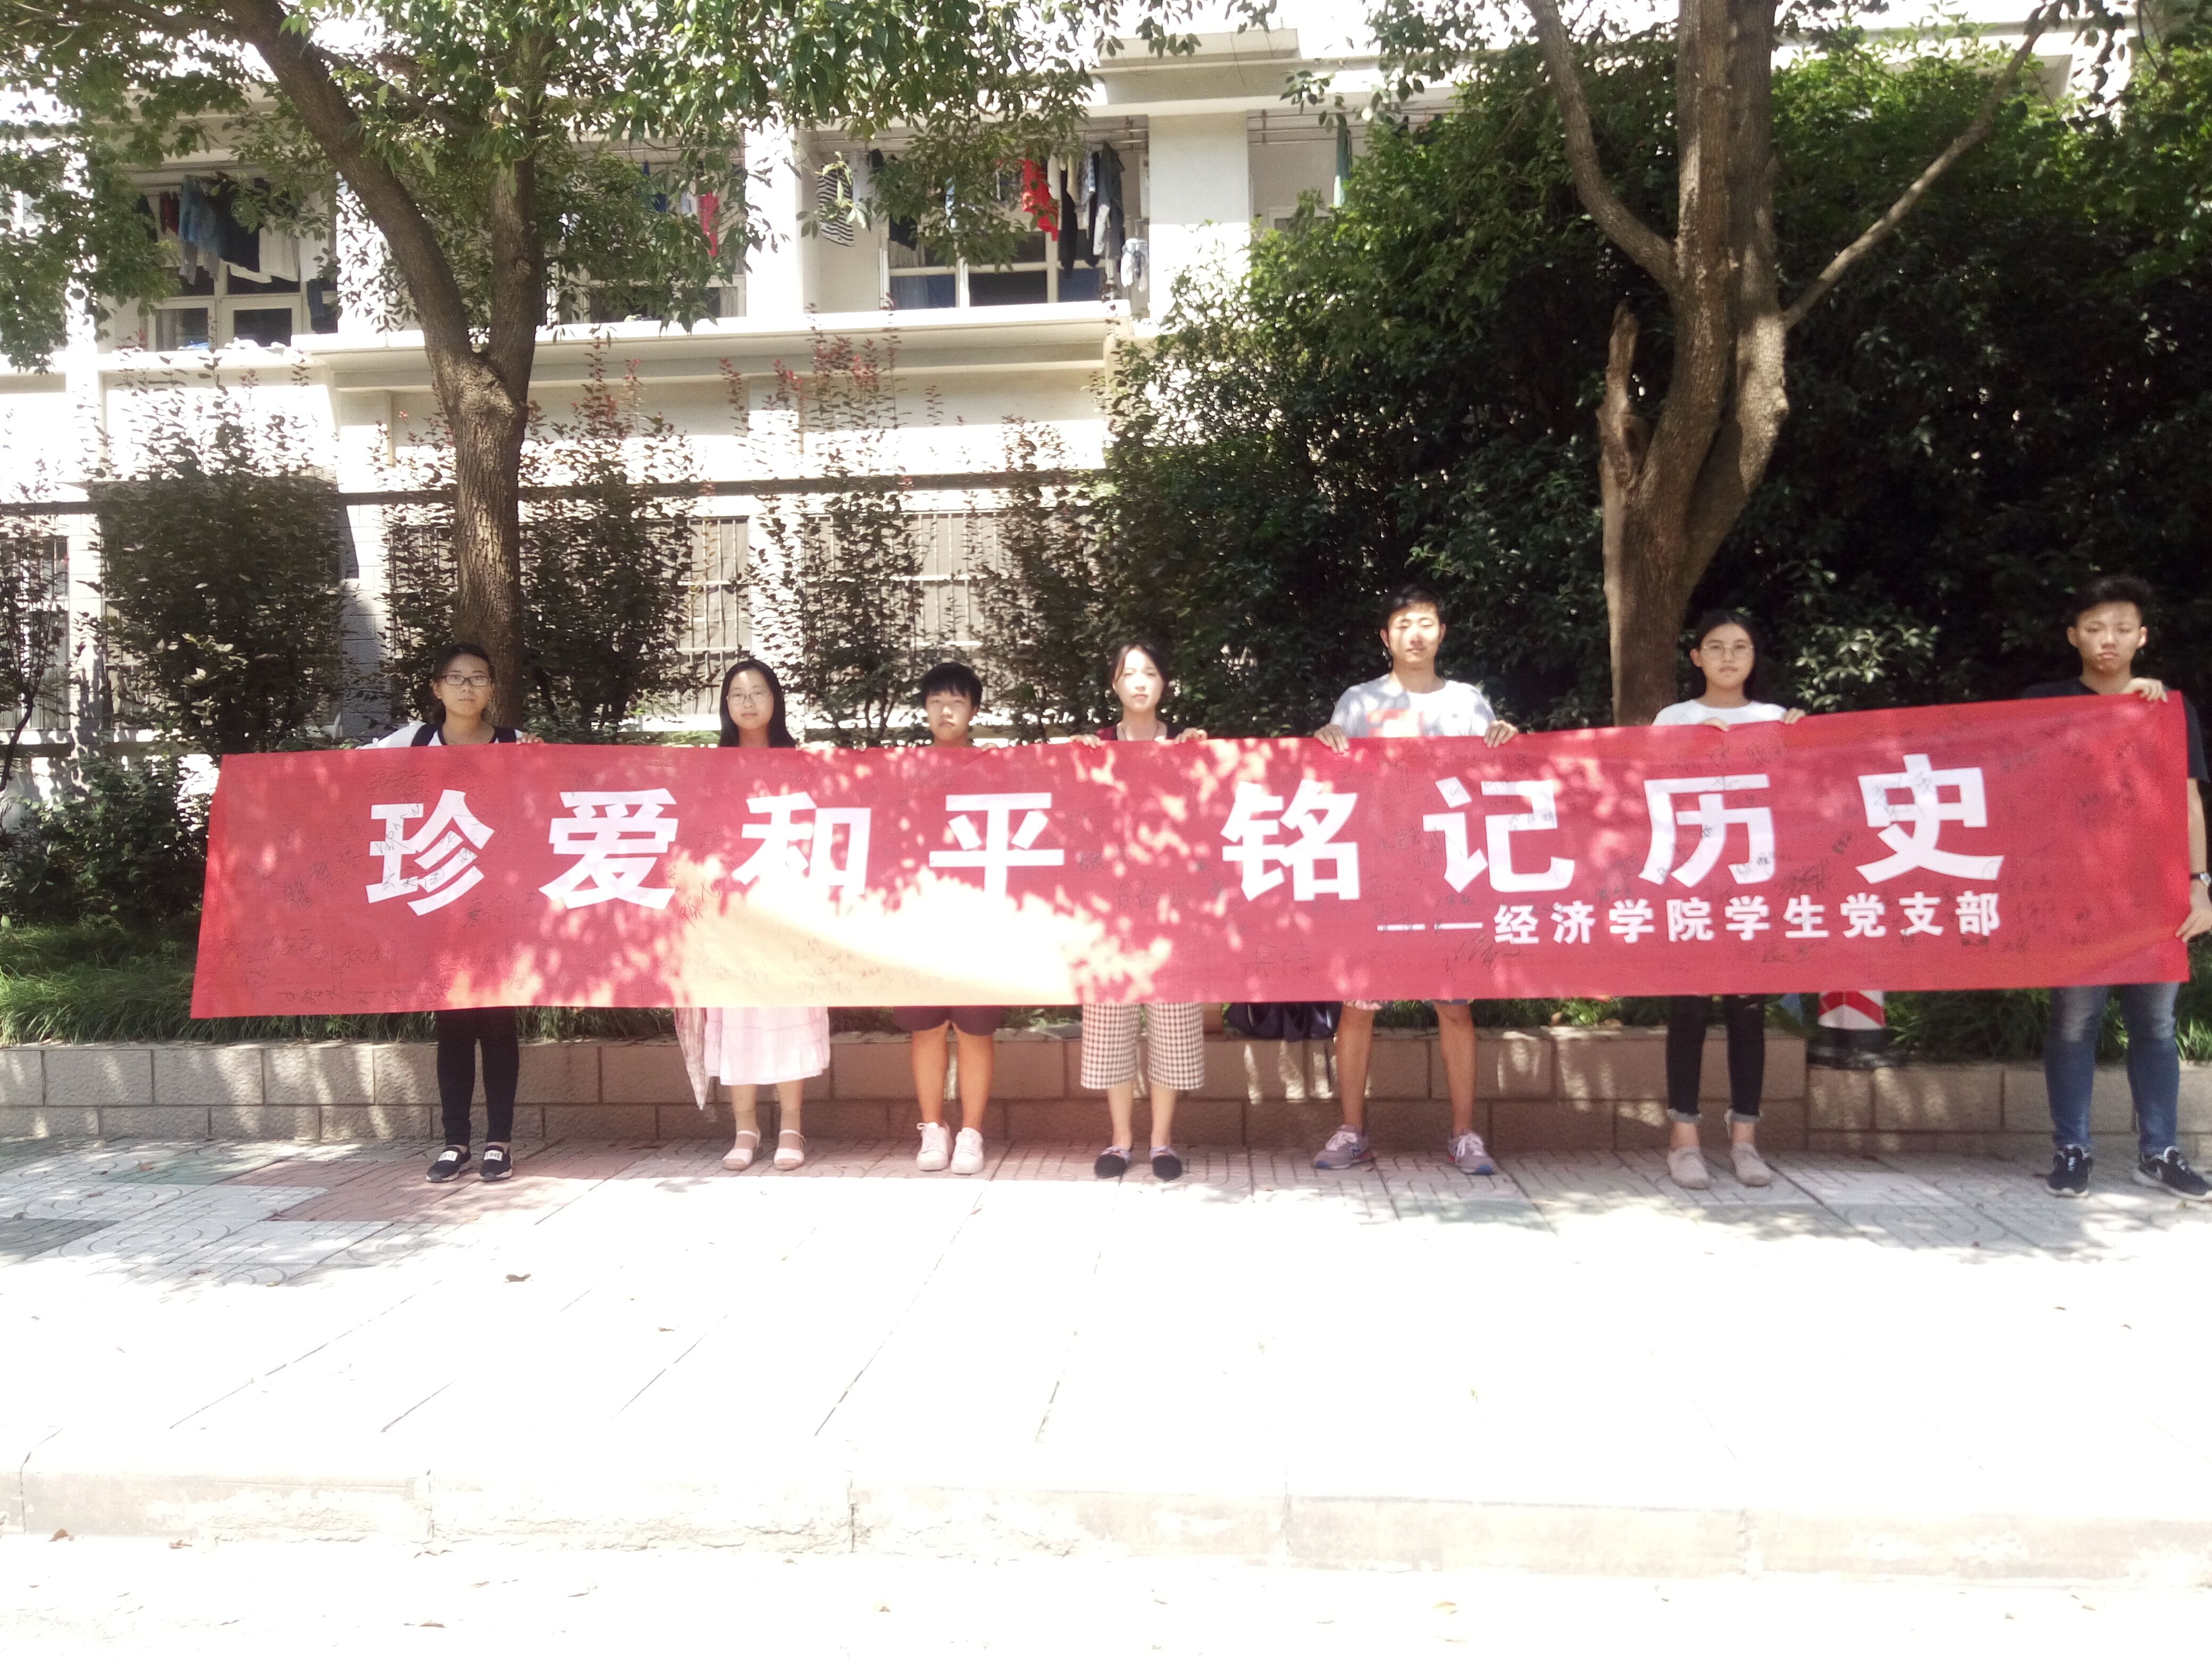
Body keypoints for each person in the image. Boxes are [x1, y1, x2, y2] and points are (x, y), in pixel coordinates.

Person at [1313, 584, 1520, 1175]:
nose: (1414, 634)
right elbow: (1331, 778)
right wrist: (1325, 742)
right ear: (1385, 637)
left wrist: (1506, 743)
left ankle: (1464, 1134)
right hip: (1376, 876)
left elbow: (1494, 779)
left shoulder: (1468, 702)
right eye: (1402, 624)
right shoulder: (1358, 702)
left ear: (1441, 633)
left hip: (1449, 877)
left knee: (1454, 1007)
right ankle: (1351, 1132)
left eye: (1425, 622)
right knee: (1358, 1005)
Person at [2023, 574, 2212, 1201]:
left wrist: (2200, 886)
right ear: (2072, 636)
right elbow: (2015, 783)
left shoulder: (2167, 709)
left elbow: (2187, 802)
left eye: (2121, 628)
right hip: (2074, 894)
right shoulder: (2043, 703)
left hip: (2153, 892)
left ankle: (2158, 1152)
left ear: (2141, 637)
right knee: (2074, 1021)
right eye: (2094, 628)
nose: (2108, 639)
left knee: (2154, 1023)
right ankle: (2071, 1148)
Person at [368, 642, 540, 1186]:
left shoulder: (515, 744)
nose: (468, 688)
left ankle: (499, 1143)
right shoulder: (412, 742)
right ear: (437, 688)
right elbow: (347, 782)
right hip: (438, 906)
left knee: (498, 1025)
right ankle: (455, 1143)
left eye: (478, 678)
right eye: (457, 678)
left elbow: (544, 811)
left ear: (493, 687)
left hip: (499, 907)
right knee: (453, 1026)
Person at [1650, 610, 1806, 1191]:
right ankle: (1683, 1141)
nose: (1727, 657)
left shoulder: (1774, 719)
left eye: (1739, 647)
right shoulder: (1673, 719)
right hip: (1692, 881)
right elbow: (1647, 789)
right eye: (1715, 647)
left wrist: (1804, 740)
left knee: (1748, 1012)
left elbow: (1800, 795)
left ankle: (1745, 1140)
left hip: (1752, 883)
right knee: (1688, 1010)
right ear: (1696, 657)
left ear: (1753, 657)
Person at [675, 659, 830, 1174]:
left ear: (775, 700)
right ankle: (745, 1129)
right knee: (736, 1018)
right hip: (730, 918)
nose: (748, 702)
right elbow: (695, 839)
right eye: (737, 694)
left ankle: (791, 1128)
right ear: (725, 705)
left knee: (787, 1014)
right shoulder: (710, 770)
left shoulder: (801, 763)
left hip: (787, 914)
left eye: (758, 692)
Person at [1073, 640, 1211, 1180]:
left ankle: (1161, 1141)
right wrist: (1076, 761)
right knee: (1111, 1026)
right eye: (1128, 673)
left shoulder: (1184, 745)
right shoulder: (1096, 746)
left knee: (1173, 1025)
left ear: (1163, 683)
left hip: (1172, 911)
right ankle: (1120, 1140)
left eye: (1149, 672)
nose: (1138, 682)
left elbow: (1207, 814)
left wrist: (1201, 759)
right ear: (1114, 684)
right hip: (1110, 912)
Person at [896, 662, 1003, 1176]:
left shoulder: (995, 768)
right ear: (924, 709)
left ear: (974, 710)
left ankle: (972, 1133)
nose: (945, 711)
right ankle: (933, 1129)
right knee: (927, 1029)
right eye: (936, 701)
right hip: (919, 918)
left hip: (979, 919)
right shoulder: (904, 770)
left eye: (957, 702)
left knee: (975, 1030)